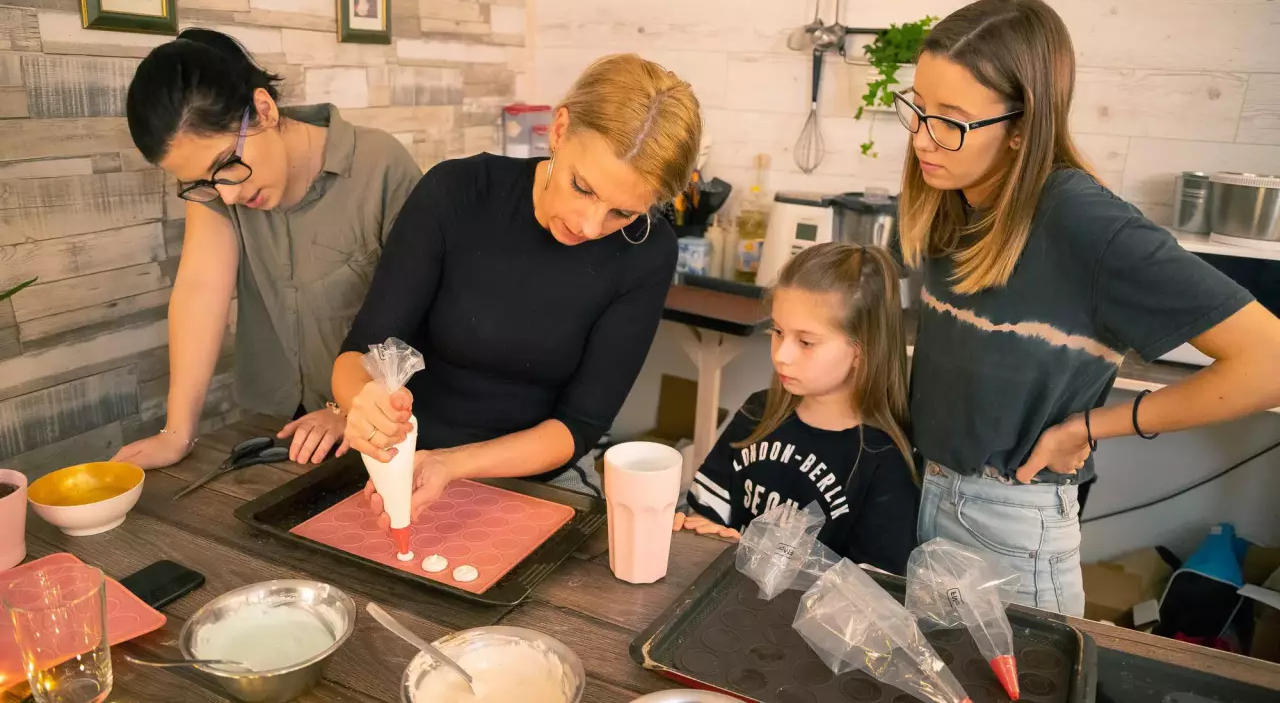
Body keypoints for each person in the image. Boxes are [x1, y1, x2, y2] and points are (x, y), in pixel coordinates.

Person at [898, 0, 1280, 615]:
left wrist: (1092, 426)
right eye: (917, 107)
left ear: (1023, 126)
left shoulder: (1082, 220)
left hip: (1009, 526)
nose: (922, 137)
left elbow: (1270, 361)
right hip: (922, 492)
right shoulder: (954, 195)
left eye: (952, 119)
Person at [335, 54, 701, 521]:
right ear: (560, 129)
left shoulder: (648, 252)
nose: (588, 226)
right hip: (398, 462)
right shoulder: (459, 191)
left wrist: (453, 464)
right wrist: (361, 406)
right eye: (582, 187)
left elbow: (579, 426)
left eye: (623, 213)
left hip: (537, 483)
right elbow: (358, 354)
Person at [112, 29, 422, 469]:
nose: (229, 195)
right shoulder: (218, 191)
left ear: (263, 108)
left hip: (377, 429)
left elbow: (424, 312)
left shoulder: (381, 166)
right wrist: (177, 432)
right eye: (202, 182)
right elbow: (202, 291)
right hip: (271, 425)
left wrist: (349, 407)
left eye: (225, 166)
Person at [675, 243, 920, 575]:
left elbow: (872, 594)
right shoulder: (757, 412)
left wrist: (757, 558)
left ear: (862, 351)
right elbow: (704, 516)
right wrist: (707, 534)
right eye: (777, 332)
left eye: (806, 342)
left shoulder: (885, 461)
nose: (781, 355)